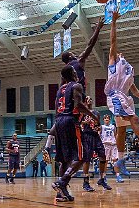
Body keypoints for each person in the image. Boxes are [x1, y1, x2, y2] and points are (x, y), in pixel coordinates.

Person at [43, 18, 105, 155]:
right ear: (70, 56)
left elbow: (60, 89)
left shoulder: (64, 72)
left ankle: (47, 146)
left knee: (63, 119)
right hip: (77, 94)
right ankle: (82, 146)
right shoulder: (79, 62)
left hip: (64, 99)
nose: (74, 53)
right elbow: (90, 45)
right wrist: (98, 29)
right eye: (72, 53)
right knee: (77, 118)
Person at [104, 11, 139, 176]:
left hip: (123, 96)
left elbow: (133, 89)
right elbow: (113, 41)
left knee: (122, 131)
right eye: (118, 54)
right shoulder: (112, 61)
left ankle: (120, 162)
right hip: (114, 95)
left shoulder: (127, 70)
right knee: (133, 119)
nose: (120, 54)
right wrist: (113, 22)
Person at [51, 65, 100, 202]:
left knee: (65, 159)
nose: (76, 73)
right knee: (82, 155)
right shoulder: (76, 86)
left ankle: (61, 193)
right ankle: (62, 181)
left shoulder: (60, 90)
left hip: (58, 121)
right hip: (70, 121)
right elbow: (78, 105)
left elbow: (56, 109)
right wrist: (93, 116)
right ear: (72, 74)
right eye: (74, 71)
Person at [81, 96, 111, 192]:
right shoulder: (82, 112)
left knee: (103, 156)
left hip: (95, 136)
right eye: (87, 99)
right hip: (86, 136)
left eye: (90, 99)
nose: (89, 100)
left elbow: (98, 125)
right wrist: (85, 122)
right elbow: (78, 123)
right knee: (87, 159)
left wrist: (98, 128)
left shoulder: (96, 113)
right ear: (84, 102)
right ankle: (86, 182)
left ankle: (102, 179)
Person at [100, 114, 124, 183]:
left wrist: (117, 143)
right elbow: (99, 135)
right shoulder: (102, 127)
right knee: (105, 161)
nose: (107, 119)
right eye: (105, 118)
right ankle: (104, 176)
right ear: (103, 120)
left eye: (108, 118)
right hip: (105, 145)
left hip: (113, 145)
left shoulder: (113, 126)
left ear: (110, 119)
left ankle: (118, 176)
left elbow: (116, 134)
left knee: (115, 160)